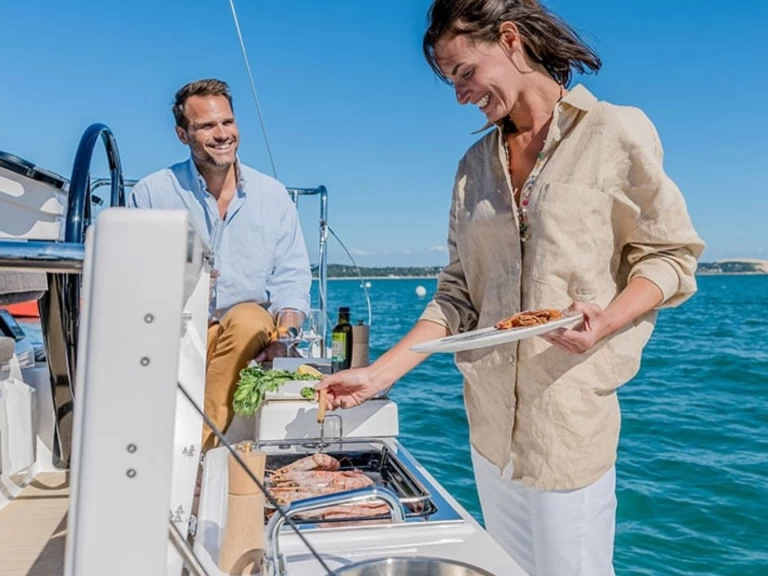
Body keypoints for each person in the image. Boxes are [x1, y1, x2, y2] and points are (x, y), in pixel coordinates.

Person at [317, 1, 704, 574]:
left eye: (465, 73)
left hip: (567, 426)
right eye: (451, 81)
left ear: (509, 40)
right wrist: (377, 376)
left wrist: (610, 320)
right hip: (489, 432)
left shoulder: (615, 131)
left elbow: (670, 254)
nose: (459, 95)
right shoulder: (473, 165)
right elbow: (457, 295)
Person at [130, 79, 311, 451]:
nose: (222, 134)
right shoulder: (151, 193)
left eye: (227, 122)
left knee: (249, 318)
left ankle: (193, 451)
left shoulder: (272, 196)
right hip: (175, 331)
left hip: (249, 336)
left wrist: (287, 338)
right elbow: (134, 276)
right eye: (206, 126)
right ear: (183, 134)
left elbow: (292, 280)